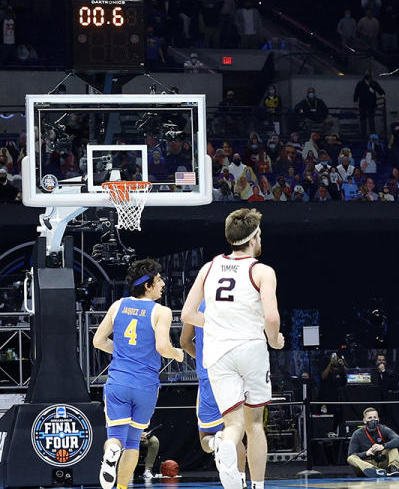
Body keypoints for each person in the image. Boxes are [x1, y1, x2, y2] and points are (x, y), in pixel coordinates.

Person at [180, 208, 285, 489]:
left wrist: (217, 324)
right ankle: (258, 485)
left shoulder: (209, 267)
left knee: (233, 425)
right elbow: (271, 318)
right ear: (253, 239)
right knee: (255, 425)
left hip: (218, 353)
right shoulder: (262, 270)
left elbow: (187, 315)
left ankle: (226, 445)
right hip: (250, 348)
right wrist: (275, 340)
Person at [93, 259, 185, 489]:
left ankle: (111, 451)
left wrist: (123, 352)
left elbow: (98, 341)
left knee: (115, 438)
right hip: (145, 386)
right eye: (159, 280)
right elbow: (163, 347)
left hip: (118, 382)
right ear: (147, 285)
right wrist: (178, 354)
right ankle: (123, 487)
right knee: (133, 442)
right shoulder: (161, 312)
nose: (163, 283)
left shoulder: (118, 305)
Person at [180, 301, 249, 485]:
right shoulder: (234, 300)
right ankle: (241, 481)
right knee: (235, 431)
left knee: (206, 438)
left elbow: (184, 342)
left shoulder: (197, 304)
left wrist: (201, 357)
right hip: (232, 374)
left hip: (208, 375)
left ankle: (216, 443)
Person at [347, 408, 399, 477]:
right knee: (351, 458)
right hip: (365, 464)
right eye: (370, 418)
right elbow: (351, 454)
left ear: (378, 419)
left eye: (375, 417)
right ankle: (373, 470)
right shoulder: (357, 434)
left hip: (381, 463)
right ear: (364, 420)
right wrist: (366, 453)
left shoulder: (383, 429)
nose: (373, 420)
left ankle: (393, 469)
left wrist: (383, 446)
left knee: (393, 447)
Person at [353, 72, 386, 137]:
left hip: (372, 104)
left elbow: (380, 90)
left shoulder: (374, 83)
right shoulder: (360, 83)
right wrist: (355, 102)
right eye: (365, 73)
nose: (367, 74)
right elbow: (356, 93)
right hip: (362, 104)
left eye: (368, 73)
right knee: (363, 120)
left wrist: (383, 95)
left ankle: (372, 135)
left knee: (371, 120)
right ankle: (363, 136)